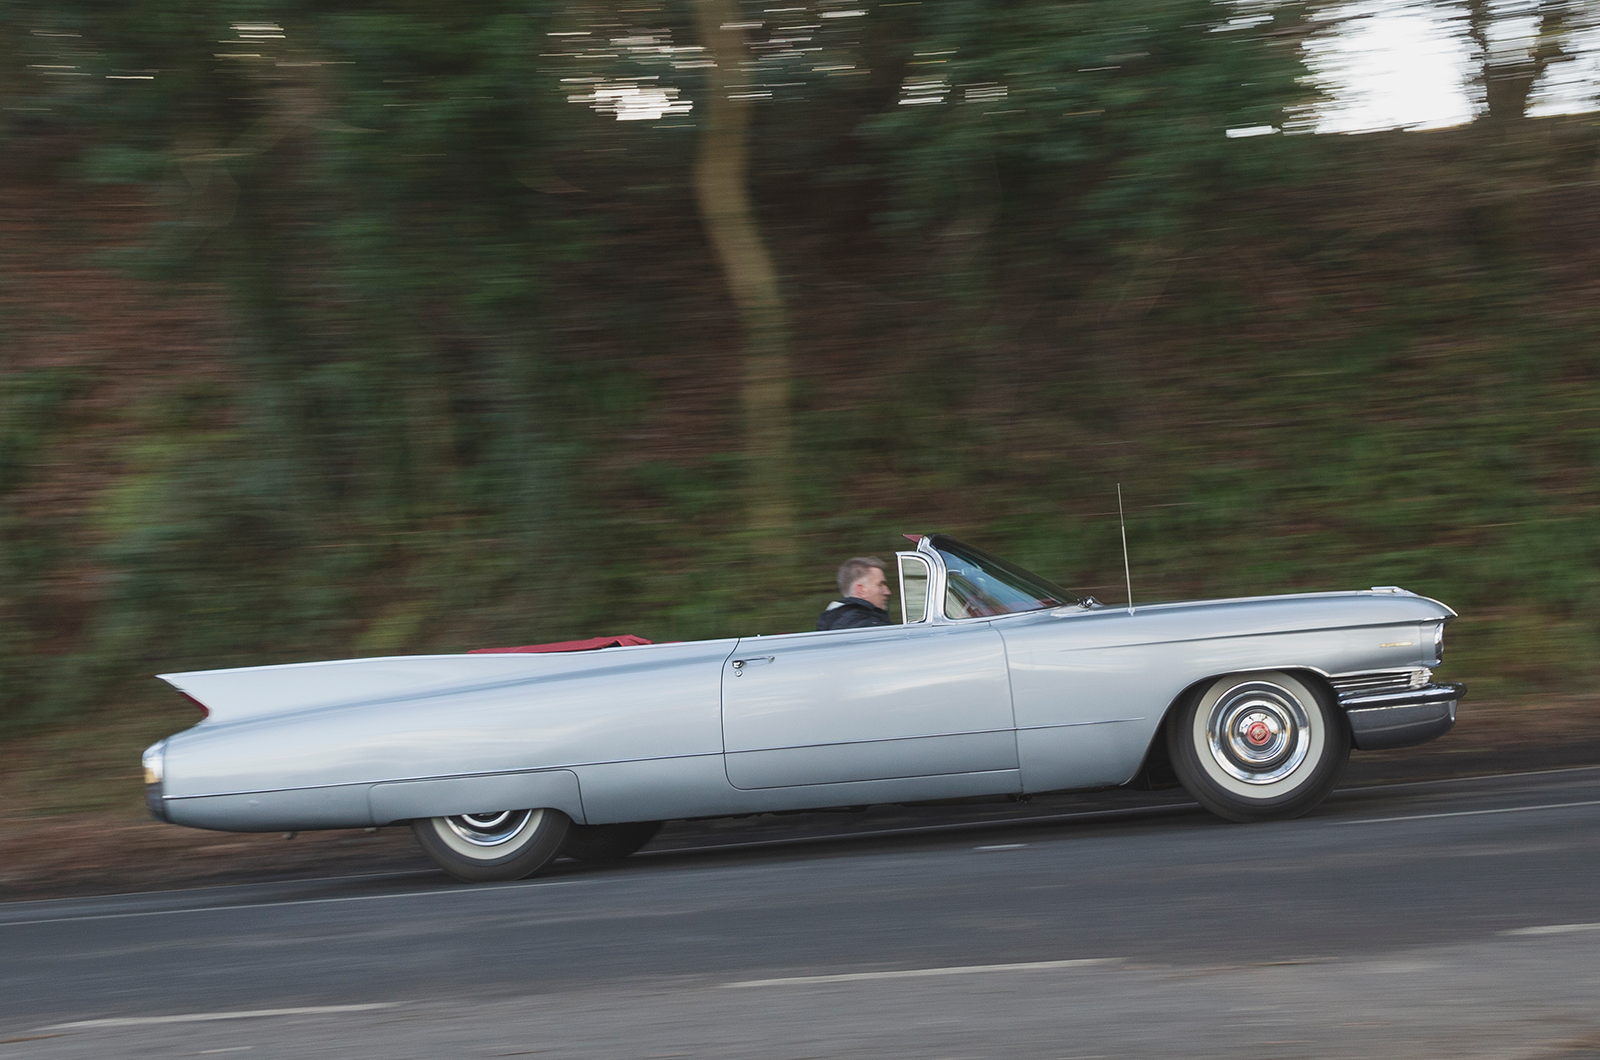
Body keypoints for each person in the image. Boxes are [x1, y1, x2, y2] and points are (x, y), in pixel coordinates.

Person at [817, 556, 894, 630]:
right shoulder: (864, 625)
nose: (887, 592)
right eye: (880, 585)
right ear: (861, 590)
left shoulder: (841, 619)